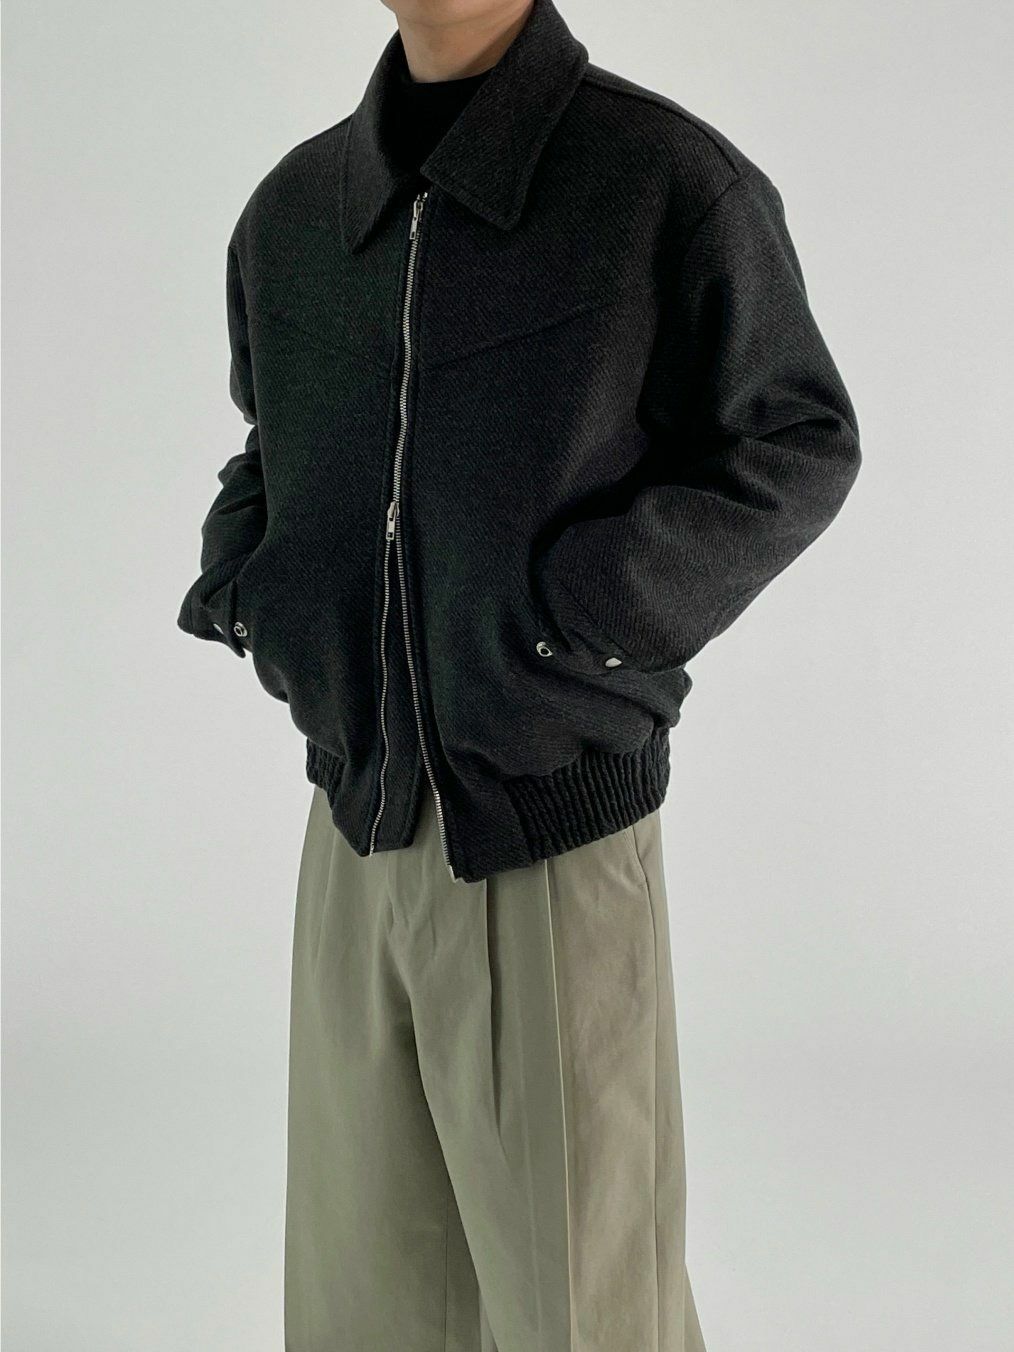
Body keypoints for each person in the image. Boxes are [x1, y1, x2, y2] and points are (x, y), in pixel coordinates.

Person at [176, 0, 861, 1346]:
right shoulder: (299, 208)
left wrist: (574, 619)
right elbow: (270, 444)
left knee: (583, 1307)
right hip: (354, 825)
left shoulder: (660, 182)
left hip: (548, 829)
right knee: (363, 1303)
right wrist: (255, 589)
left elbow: (792, 443)